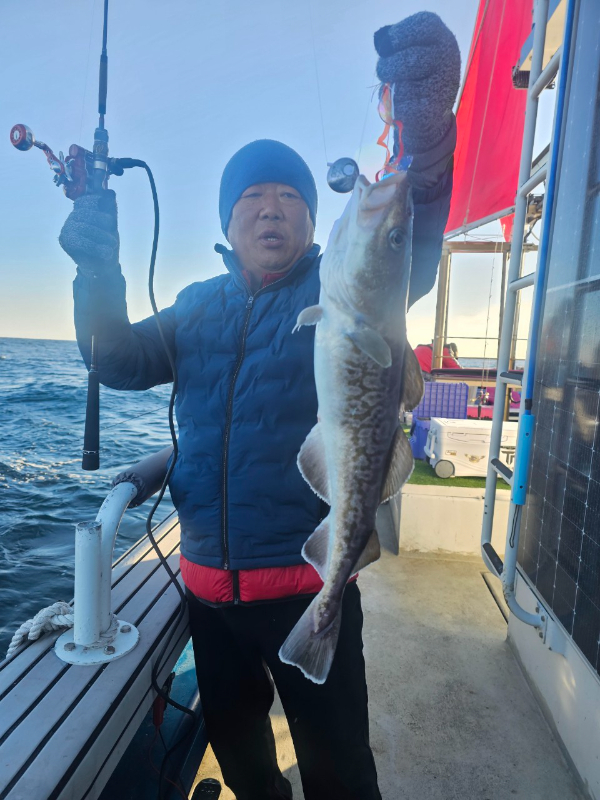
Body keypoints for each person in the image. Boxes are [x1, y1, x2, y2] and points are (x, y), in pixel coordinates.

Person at [59, 12, 460, 800]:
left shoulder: (344, 294)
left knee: (341, 780)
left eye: (288, 197)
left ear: (316, 223)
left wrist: (425, 134)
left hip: (309, 584)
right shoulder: (195, 306)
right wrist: (97, 269)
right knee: (245, 769)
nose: (271, 208)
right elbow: (113, 358)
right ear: (228, 222)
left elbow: (407, 239)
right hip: (209, 599)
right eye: (252, 198)